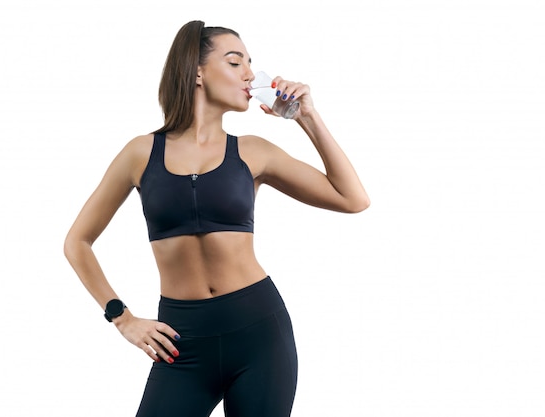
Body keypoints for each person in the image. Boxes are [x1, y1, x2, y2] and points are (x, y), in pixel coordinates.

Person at [64, 20, 369, 417]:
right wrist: (121, 318)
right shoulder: (140, 154)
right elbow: (77, 241)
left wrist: (307, 117)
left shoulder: (253, 152)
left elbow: (352, 198)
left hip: (259, 334)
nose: (250, 74)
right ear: (197, 71)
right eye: (234, 61)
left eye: (250, 63)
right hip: (181, 343)